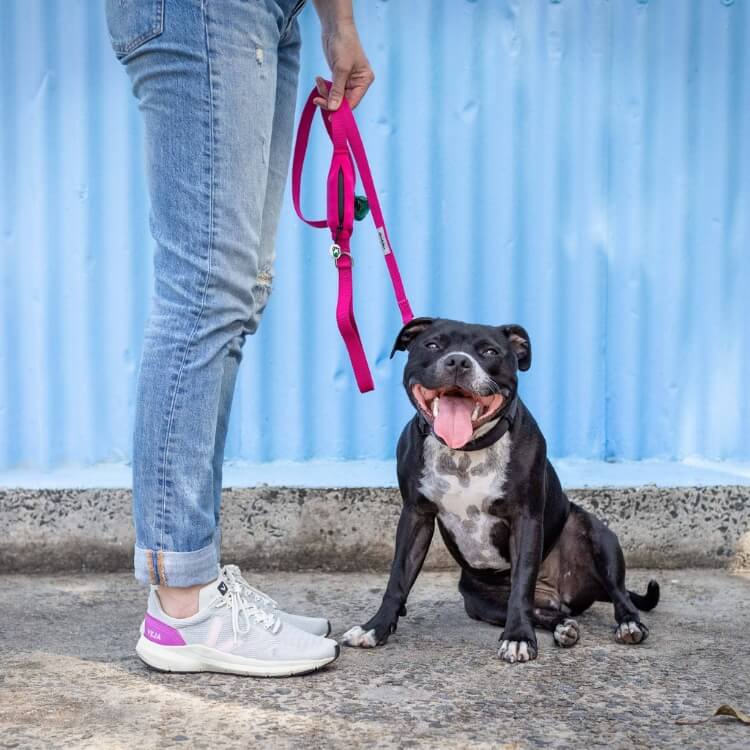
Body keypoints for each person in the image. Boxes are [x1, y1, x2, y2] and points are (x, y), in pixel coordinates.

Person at [105, 0, 374, 676]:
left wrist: (335, 22)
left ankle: (197, 573)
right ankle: (184, 604)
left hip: (268, 15)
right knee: (203, 292)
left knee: (240, 291)